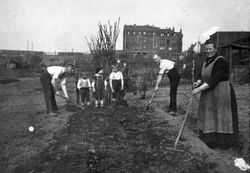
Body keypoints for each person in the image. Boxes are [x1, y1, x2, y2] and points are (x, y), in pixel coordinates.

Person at [192, 40, 238, 149]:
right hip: (209, 91)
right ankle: (209, 139)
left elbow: (214, 80)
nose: (208, 51)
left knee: (220, 114)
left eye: (210, 49)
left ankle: (222, 142)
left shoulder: (220, 61)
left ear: (215, 49)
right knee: (209, 114)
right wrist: (197, 82)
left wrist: (198, 90)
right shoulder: (205, 61)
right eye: (206, 49)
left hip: (221, 91)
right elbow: (201, 75)